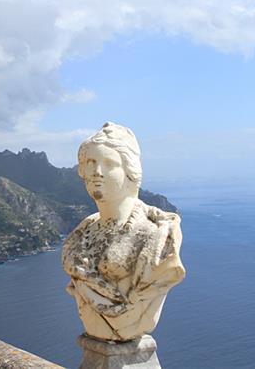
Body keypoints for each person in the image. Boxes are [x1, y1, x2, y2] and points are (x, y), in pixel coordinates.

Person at [62, 122, 185, 341]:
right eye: (90, 163)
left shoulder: (156, 235)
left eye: (109, 163)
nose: (96, 172)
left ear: (130, 170)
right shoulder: (82, 233)